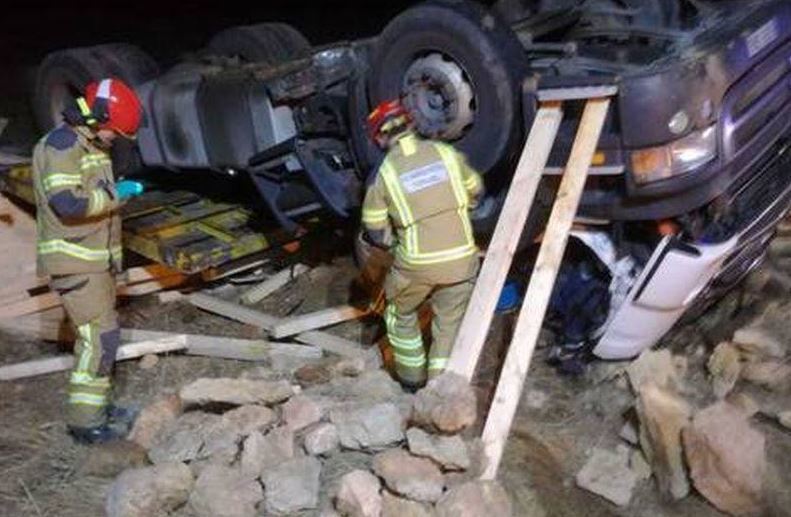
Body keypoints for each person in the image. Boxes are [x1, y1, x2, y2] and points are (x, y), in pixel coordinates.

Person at [32, 78, 145, 444]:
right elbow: (68, 204)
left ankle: (98, 408)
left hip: (94, 263)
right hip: (75, 263)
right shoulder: (62, 146)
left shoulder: (89, 146)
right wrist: (116, 194)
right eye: (115, 133)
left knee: (101, 337)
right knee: (100, 340)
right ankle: (86, 423)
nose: (115, 140)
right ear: (98, 120)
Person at [361, 99, 483, 389]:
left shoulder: (384, 173)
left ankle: (411, 380)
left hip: (417, 265)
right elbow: (474, 191)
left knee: (399, 314)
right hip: (462, 260)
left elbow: (375, 230)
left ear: (379, 137)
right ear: (412, 123)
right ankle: (441, 387)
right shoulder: (446, 153)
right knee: (450, 324)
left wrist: (393, 243)